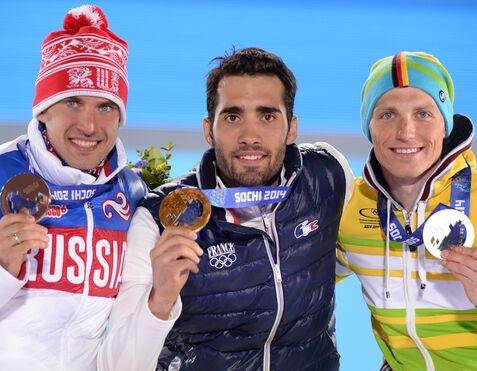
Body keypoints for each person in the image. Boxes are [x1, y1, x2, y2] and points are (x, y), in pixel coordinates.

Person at [99, 47, 354, 370]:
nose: (250, 136)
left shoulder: (329, 176)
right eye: (233, 117)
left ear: (291, 128)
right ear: (209, 130)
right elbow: (117, 367)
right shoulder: (159, 220)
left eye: (267, 116)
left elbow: (361, 247)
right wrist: (159, 301)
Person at [0, 5, 146, 370]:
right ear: (43, 110)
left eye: (106, 107)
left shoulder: (131, 193)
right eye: (72, 102)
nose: (90, 126)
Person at [336, 51, 477, 370]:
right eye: (387, 114)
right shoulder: (348, 207)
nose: (406, 132)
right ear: (369, 127)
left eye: (423, 114)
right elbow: (298, 282)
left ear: (444, 125)